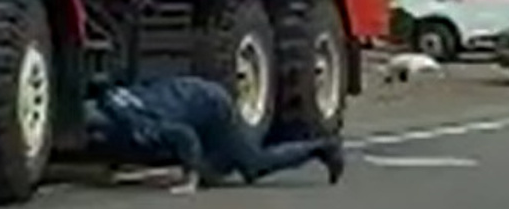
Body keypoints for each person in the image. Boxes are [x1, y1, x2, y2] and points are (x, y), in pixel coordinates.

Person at [83, 74, 344, 191]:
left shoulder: (136, 122)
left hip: (212, 106)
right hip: (195, 92)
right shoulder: (112, 99)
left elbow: (184, 135)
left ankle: (322, 148)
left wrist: (190, 180)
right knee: (214, 169)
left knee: (252, 165)